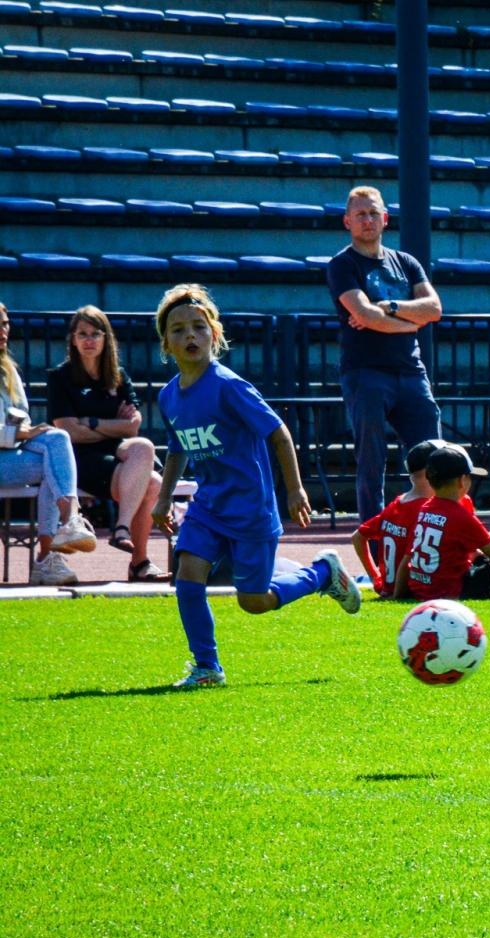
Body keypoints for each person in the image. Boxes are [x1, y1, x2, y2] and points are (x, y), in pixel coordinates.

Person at [149, 284, 362, 689]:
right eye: (178, 330)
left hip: (250, 511)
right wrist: (163, 499)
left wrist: (295, 490)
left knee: (254, 601)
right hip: (208, 506)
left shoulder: (228, 385)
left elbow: (278, 433)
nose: (190, 335)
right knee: (187, 577)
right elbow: (177, 447)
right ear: (166, 344)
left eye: (198, 326)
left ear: (214, 332)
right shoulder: (168, 396)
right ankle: (207, 668)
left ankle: (322, 573)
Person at [325, 185, 443, 522]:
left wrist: (388, 307)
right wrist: (409, 322)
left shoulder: (405, 262)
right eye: (360, 214)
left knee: (432, 457)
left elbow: (434, 308)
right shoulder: (342, 265)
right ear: (347, 221)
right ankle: (375, 544)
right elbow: (364, 315)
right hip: (366, 372)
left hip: (410, 372)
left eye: (373, 213)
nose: (367, 220)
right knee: (371, 462)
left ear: (385, 218)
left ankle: (432, 533)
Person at [46, 305, 168, 581]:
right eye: (82, 334)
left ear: (106, 338)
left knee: (145, 446)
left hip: (117, 453)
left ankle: (122, 529)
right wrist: (112, 427)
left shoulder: (118, 377)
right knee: (154, 483)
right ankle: (139, 562)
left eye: (95, 334)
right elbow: (68, 431)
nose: (89, 340)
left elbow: (133, 425)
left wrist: (88, 422)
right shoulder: (60, 378)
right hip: (77, 458)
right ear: (73, 340)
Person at [0, 302, 96, 584]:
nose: (2, 330)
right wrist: (18, 435)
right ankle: (55, 545)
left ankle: (60, 536)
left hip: (10, 454)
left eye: (5, 323)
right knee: (53, 462)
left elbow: (20, 416)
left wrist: (26, 430)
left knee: (56, 440)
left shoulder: (8, 369)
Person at [395, 444, 490, 601]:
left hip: (423, 588)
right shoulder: (461, 515)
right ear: (462, 481)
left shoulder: (425, 509)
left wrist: (397, 596)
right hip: (452, 590)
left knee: (478, 555)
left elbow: (408, 557)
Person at [351, 437, 445, 598]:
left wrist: (376, 578)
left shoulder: (398, 503)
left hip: (388, 586)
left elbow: (358, 537)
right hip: (409, 589)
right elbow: (407, 561)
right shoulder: (426, 510)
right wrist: (397, 595)